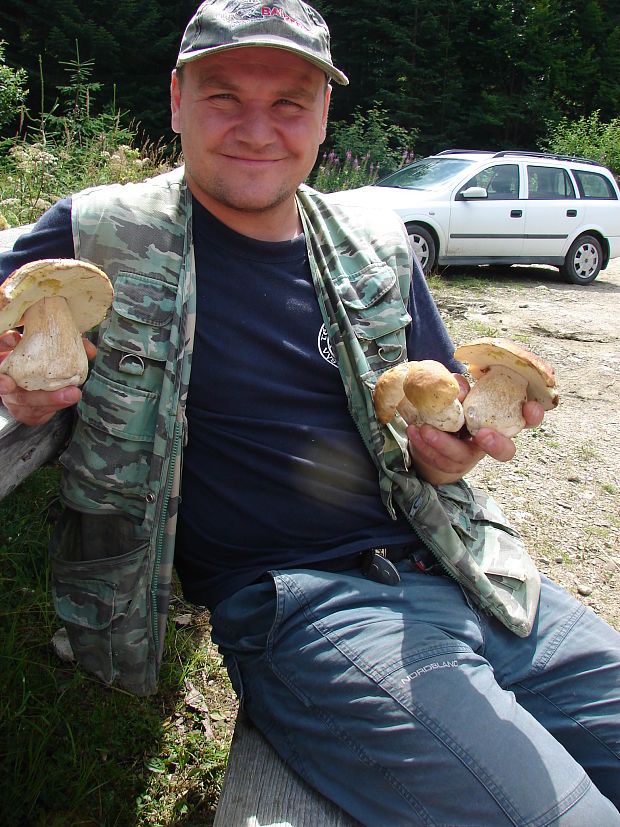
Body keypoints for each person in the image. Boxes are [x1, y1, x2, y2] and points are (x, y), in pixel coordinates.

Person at [1, 2, 619, 823]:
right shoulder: (102, 230)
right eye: (224, 95)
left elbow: (439, 416)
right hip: (313, 608)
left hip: (469, 565)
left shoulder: (376, 240)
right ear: (178, 100)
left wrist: (450, 455)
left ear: (324, 115)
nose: (258, 128)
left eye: (289, 101)